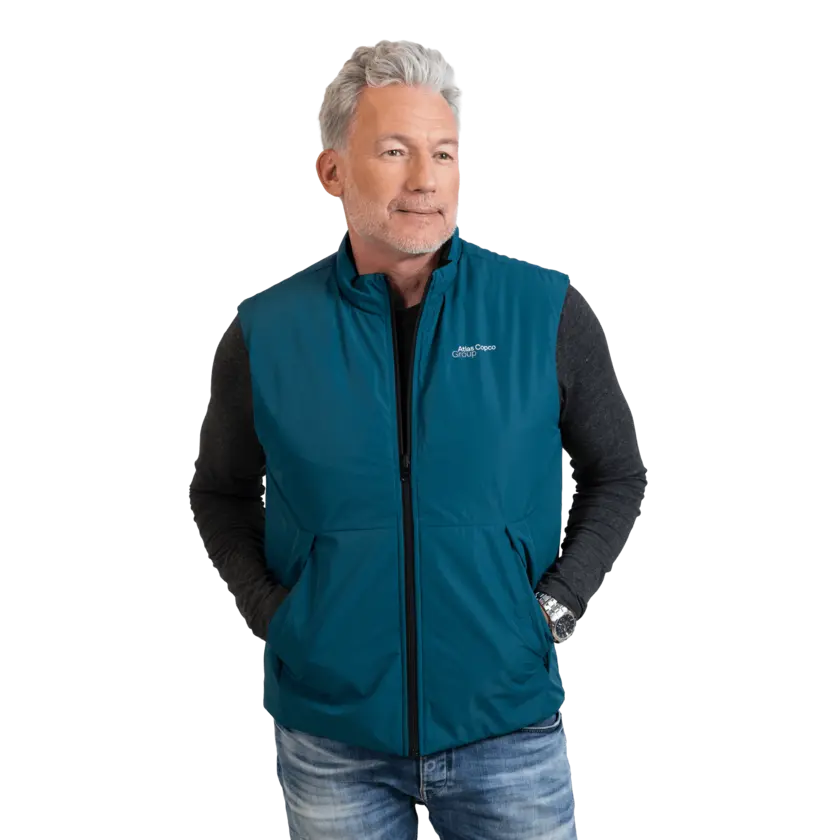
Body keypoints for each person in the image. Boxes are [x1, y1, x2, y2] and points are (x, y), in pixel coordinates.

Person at [190, 39, 647, 840]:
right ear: (332, 170)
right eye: (395, 151)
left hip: (507, 723)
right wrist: (277, 615)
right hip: (332, 733)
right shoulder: (266, 332)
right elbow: (221, 493)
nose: (426, 180)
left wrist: (552, 606)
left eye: (443, 152)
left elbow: (616, 475)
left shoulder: (542, 309)